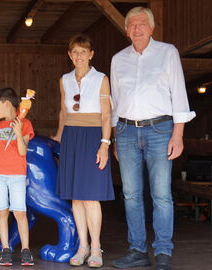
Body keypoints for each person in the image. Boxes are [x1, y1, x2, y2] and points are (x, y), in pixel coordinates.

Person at [110, 7, 195, 270]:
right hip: (125, 131)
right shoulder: (118, 59)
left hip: (160, 130)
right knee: (132, 195)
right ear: (126, 30)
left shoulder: (167, 52)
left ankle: (163, 254)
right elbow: (115, 102)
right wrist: (114, 137)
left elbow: (179, 93)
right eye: (132, 25)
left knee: (161, 195)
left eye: (142, 24)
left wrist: (178, 135)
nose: (137, 29)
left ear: (152, 28)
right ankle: (137, 251)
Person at [53, 34, 115, 268]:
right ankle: (83, 246)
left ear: (91, 54)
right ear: (70, 55)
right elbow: (63, 110)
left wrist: (104, 144)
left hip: (93, 137)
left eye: (83, 51)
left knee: (91, 196)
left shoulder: (101, 78)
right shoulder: (64, 79)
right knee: (76, 197)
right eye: (75, 52)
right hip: (71, 136)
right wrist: (59, 136)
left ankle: (96, 248)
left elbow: (107, 114)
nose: (79, 56)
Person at [0, 87, 35, 266]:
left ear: (7, 104)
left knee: (20, 212)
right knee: (2, 212)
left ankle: (25, 249)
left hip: (16, 175)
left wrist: (19, 131)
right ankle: (5, 248)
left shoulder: (25, 123)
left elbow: (23, 152)